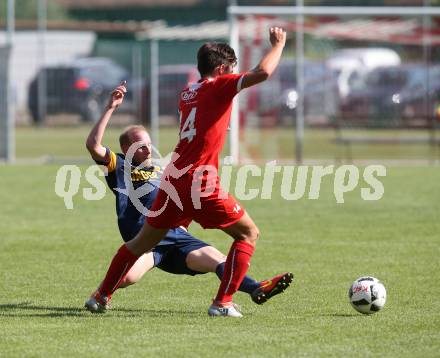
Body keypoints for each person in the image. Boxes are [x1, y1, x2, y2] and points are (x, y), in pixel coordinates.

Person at [89, 27, 287, 318]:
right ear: (221, 69)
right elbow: (263, 72)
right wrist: (278, 45)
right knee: (248, 233)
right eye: (230, 70)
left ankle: (100, 295)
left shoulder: (187, 92)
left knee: (140, 244)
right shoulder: (216, 87)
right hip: (200, 181)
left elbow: (202, 123)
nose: (233, 75)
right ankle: (222, 303)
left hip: (173, 179)